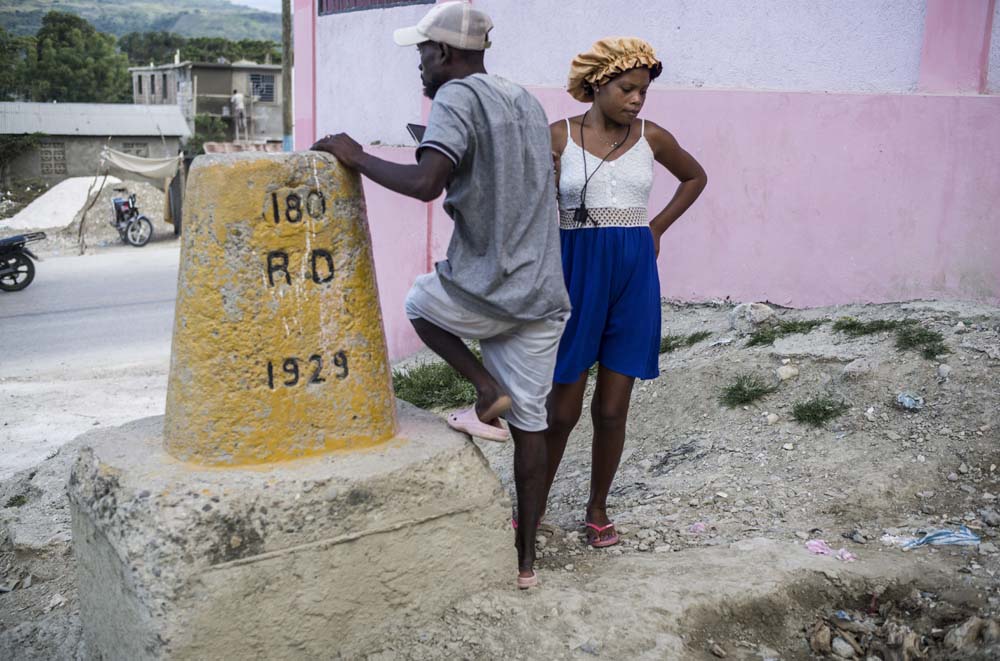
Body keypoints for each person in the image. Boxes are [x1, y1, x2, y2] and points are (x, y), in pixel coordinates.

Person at [311, 1, 569, 589]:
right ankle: (527, 564)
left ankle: (483, 388)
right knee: (532, 426)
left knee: (420, 305)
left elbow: (426, 184)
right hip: (542, 289)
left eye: (423, 53)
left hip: (489, 283)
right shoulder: (524, 98)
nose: (419, 65)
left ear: (447, 54)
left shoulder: (454, 97)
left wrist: (355, 157)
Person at [544, 37, 707, 548]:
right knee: (563, 407)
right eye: (627, 89)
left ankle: (597, 508)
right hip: (577, 273)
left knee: (612, 407)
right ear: (597, 85)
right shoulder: (556, 137)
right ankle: (534, 505)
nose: (637, 100)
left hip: (634, 276)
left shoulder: (652, 138)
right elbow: (528, 201)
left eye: (643, 92)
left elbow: (694, 177)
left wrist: (655, 228)